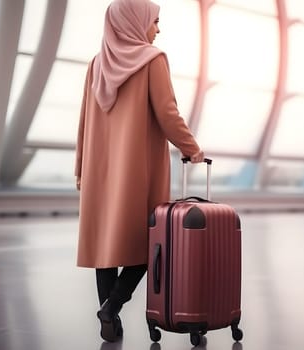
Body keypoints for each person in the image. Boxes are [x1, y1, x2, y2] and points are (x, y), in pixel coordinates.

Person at [74, 0, 204, 343]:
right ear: (134, 21)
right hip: (136, 173)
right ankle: (112, 307)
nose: (157, 29)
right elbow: (167, 113)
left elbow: (84, 121)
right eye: (155, 21)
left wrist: (79, 169)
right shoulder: (152, 59)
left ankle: (109, 319)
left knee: (106, 247)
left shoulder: (97, 64)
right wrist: (192, 149)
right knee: (152, 242)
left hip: (99, 174)